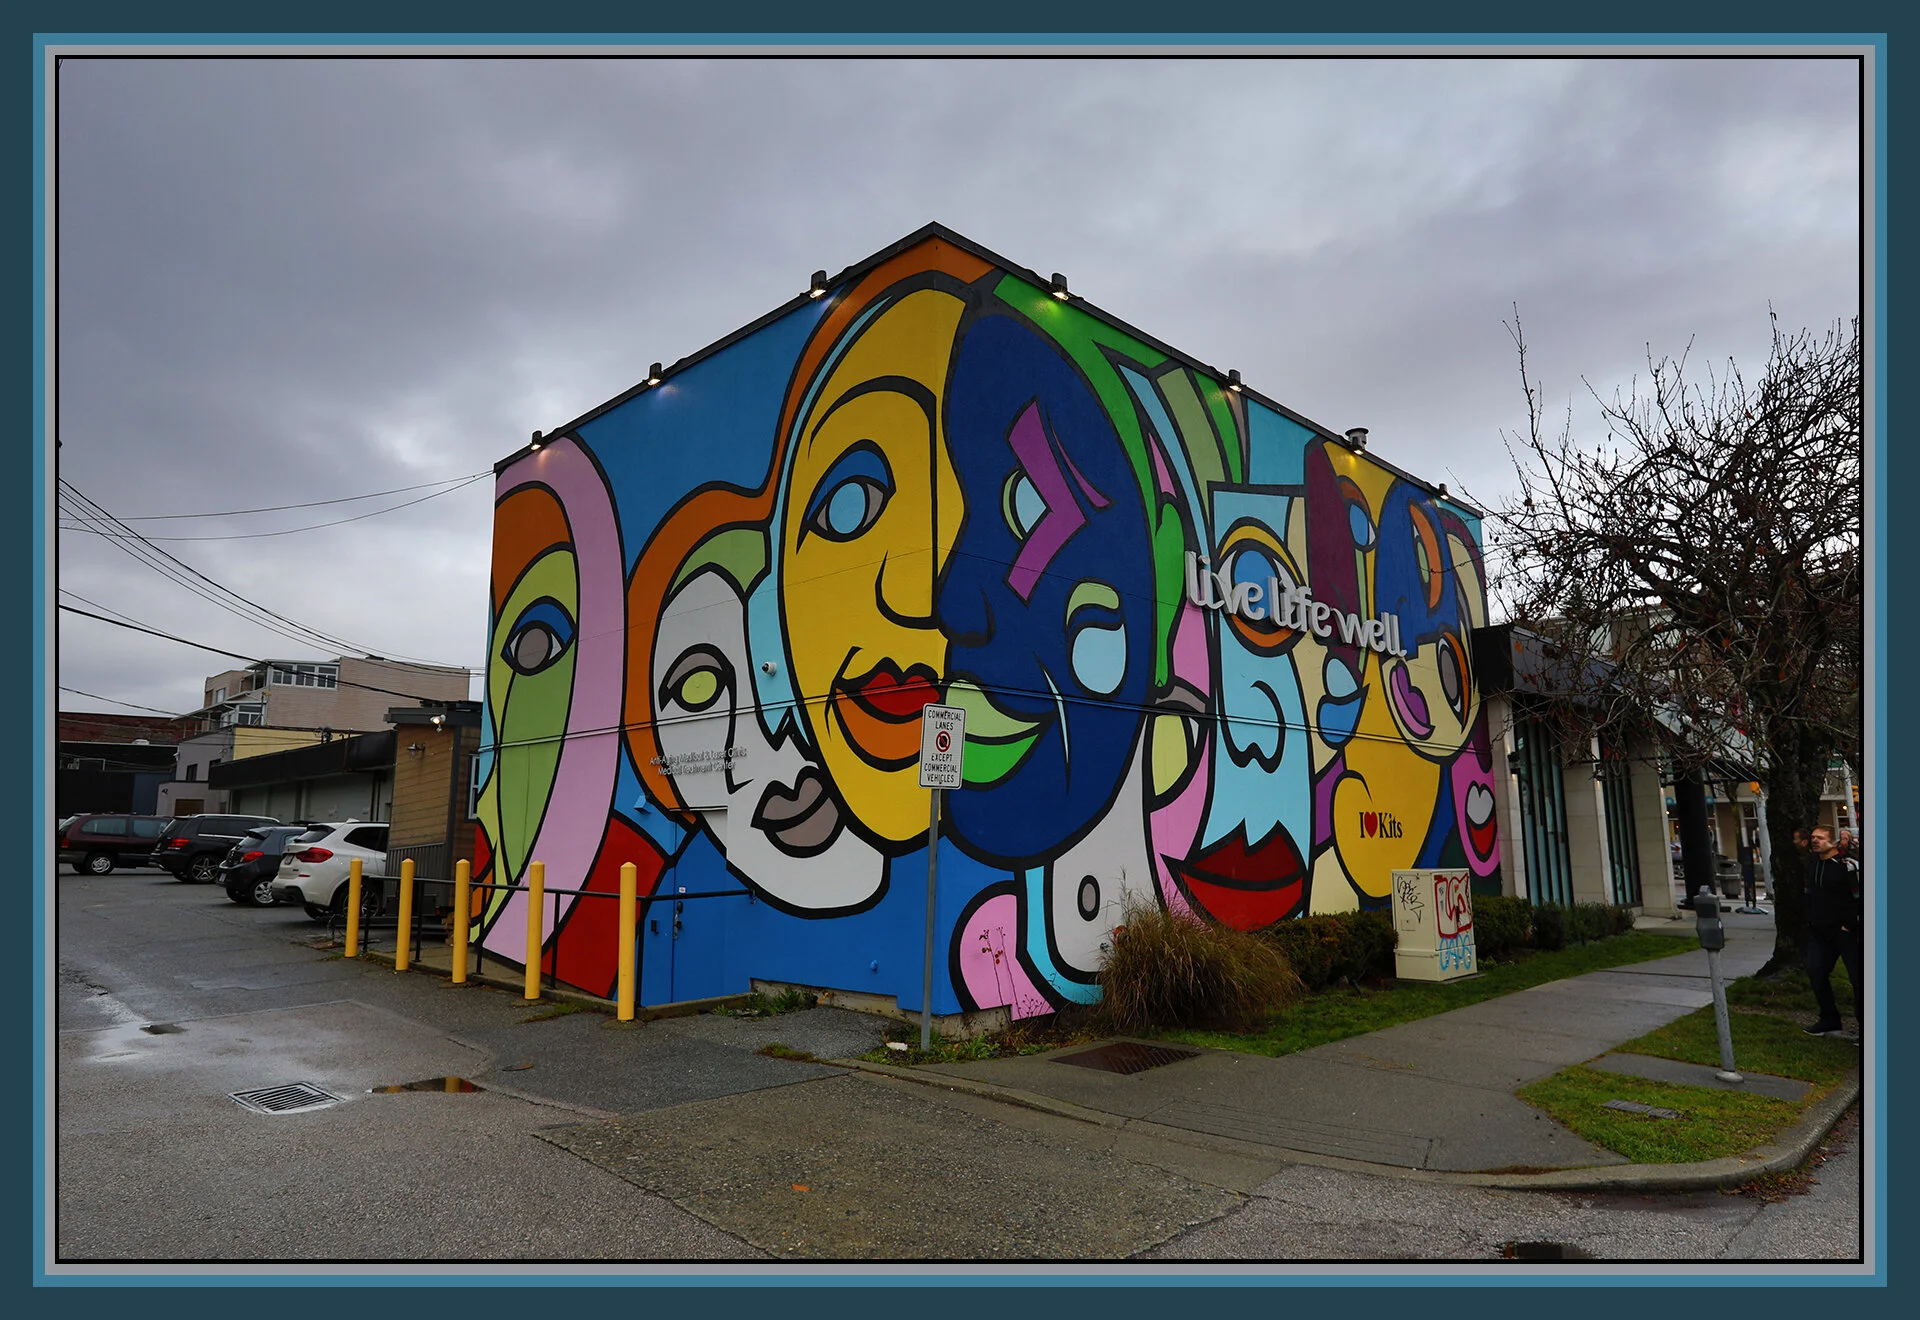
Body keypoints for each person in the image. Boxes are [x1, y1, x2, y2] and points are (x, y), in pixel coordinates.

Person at [1802, 825, 1863, 1037]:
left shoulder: (1847, 866)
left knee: (1858, 979)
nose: (1816, 841)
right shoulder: (1813, 866)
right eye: (1813, 838)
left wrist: (1850, 925)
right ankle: (1829, 1019)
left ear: (1833, 841)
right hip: (1820, 931)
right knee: (1816, 971)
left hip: (1845, 932)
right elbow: (1809, 894)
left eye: (1821, 838)